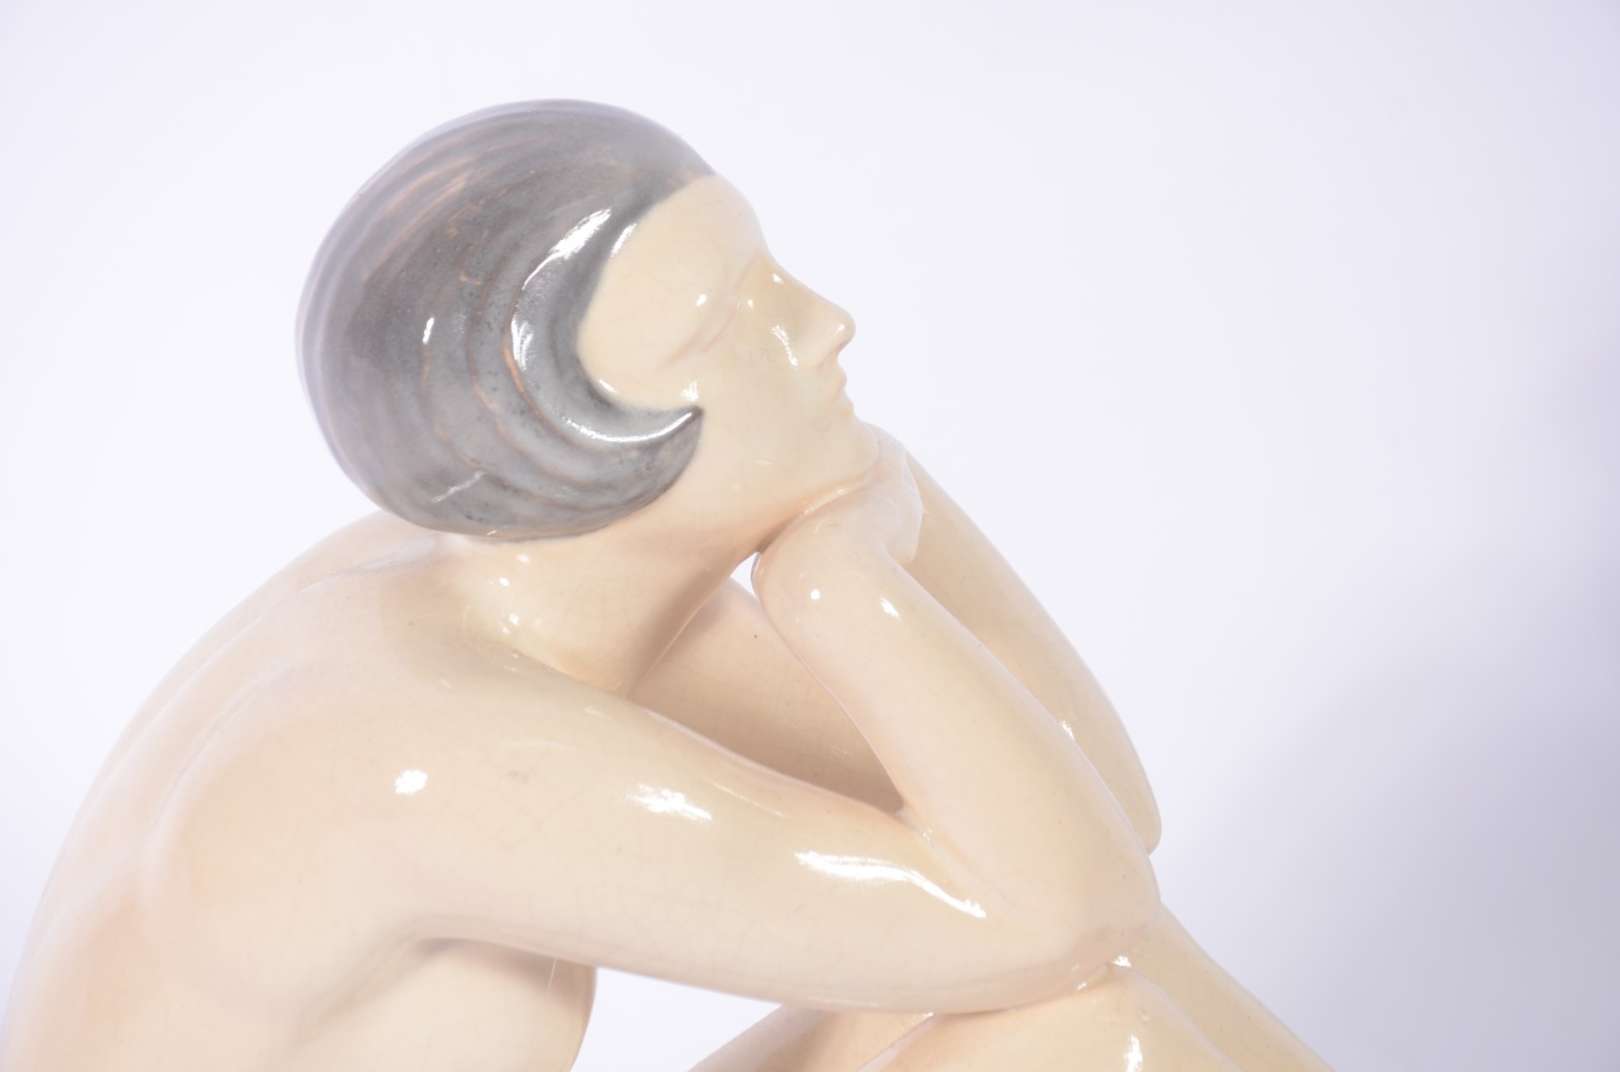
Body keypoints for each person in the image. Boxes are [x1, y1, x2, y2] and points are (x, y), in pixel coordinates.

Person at [0, 101, 1326, 1071]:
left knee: (1066, 977)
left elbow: (1093, 824)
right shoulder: (423, 756)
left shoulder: (517, 590)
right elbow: (1069, 904)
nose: (826, 322)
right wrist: (847, 586)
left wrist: (874, 506)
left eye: (774, 277)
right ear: (576, 446)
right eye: (727, 324)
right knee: (1091, 1035)